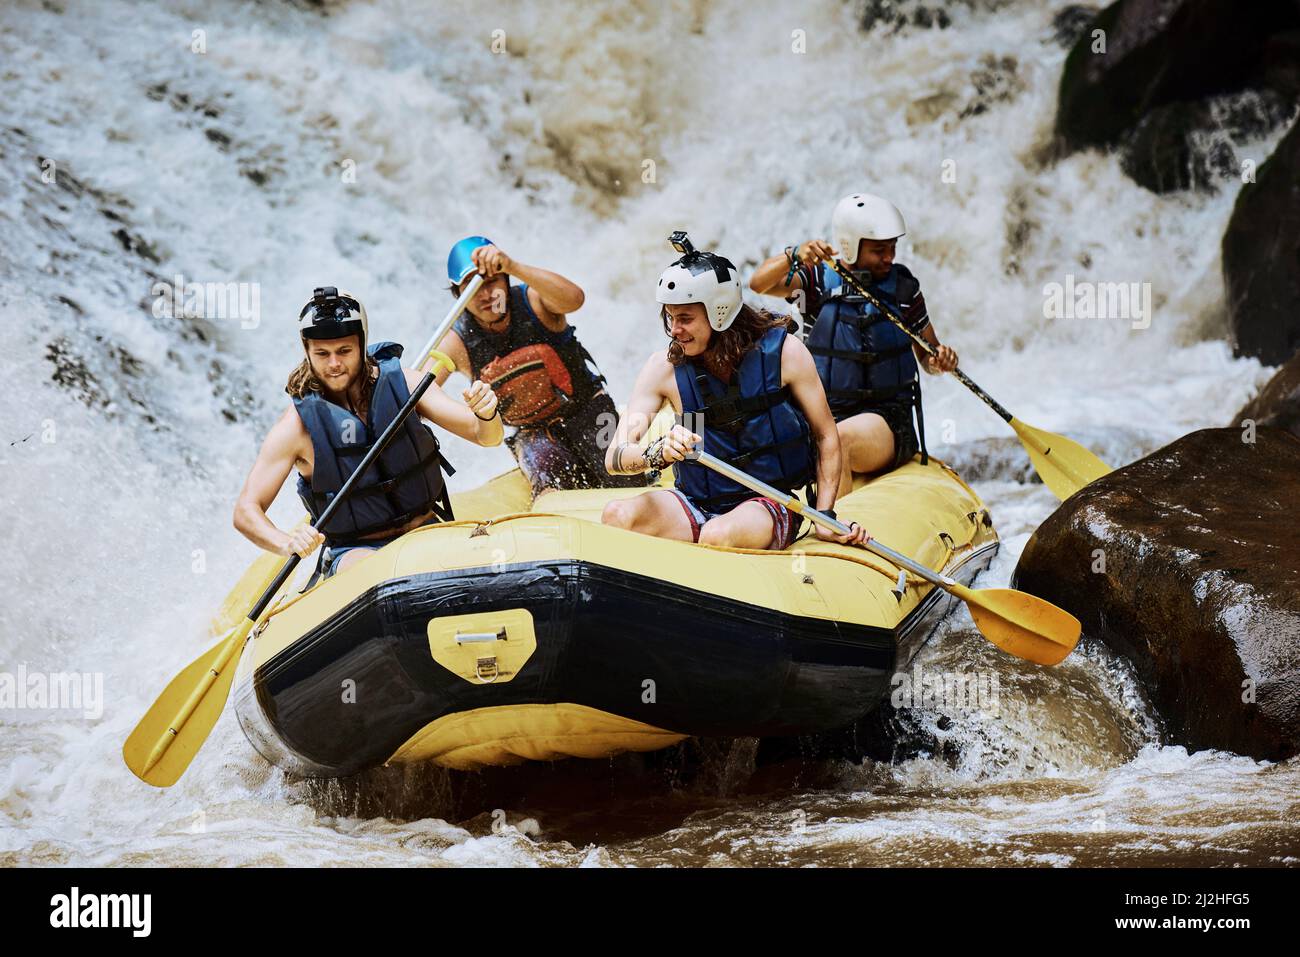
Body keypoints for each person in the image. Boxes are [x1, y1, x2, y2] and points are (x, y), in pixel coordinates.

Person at [601, 233, 867, 550]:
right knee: (617, 515)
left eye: (685, 318)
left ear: (720, 312)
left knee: (718, 535)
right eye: (670, 317)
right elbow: (614, 457)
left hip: (768, 502)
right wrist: (655, 453)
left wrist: (824, 517)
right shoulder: (663, 368)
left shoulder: (785, 354)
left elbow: (826, 436)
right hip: (694, 501)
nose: (674, 330)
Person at [233, 286, 503, 578]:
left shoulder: (408, 386)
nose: (334, 364)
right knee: (372, 572)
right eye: (322, 354)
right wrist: (286, 542)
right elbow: (246, 510)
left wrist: (486, 414)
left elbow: (486, 437)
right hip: (356, 551)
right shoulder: (295, 427)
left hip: (425, 530)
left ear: (362, 345)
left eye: (344, 351)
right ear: (307, 352)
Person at [749, 193, 959, 495]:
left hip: (887, 420)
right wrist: (795, 254)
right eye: (879, 250)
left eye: (892, 248)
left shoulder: (903, 288)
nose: (889, 257)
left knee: (839, 440)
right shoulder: (818, 280)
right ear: (850, 245)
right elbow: (759, 283)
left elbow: (929, 358)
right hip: (823, 413)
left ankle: (839, 528)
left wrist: (941, 361)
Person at [431, 236, 643, 498]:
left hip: (589, 411)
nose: (486, 295)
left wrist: (511, 265)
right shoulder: (456, 342)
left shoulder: (535, 303)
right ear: (458, 293)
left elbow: (575, 299)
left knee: (627, 481)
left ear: (505, 281)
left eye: (492, 281)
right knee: (549, 488)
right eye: (472, 286)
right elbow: (420, 392)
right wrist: (476, 420)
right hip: (532, 434)